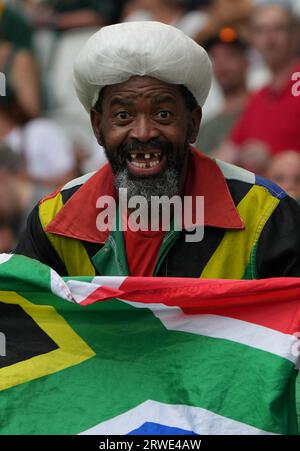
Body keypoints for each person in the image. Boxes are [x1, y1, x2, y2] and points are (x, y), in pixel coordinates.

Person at [15, 21, 300, 280]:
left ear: (193, 124)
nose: (143, 133)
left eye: (163, 115)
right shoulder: (54, 220)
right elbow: (24, 328)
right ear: (97, 126)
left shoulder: (265, 214)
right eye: (123, 116)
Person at [222, 4, 300, 166]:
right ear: (253, 40)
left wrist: (273, 159)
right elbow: (228, 152)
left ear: (295, 35)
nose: (269, 39)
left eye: (278, 29)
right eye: (260, 31)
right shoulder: (259, 96)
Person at [196, 27, 249, 155]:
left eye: (230, 55)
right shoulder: (206, 127)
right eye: (215, 57)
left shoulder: (261, 110)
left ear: (246, 62)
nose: (221, 64)